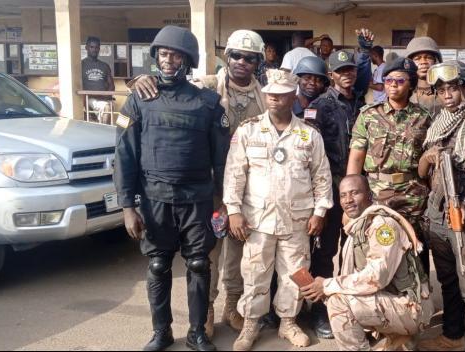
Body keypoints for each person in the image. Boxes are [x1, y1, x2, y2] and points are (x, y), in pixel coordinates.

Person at [126, 29, 268, 339]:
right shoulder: (205, 86)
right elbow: (168, 81)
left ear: (258, 63)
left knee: (239, 252)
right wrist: (138, 79)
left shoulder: (266, 96)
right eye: (236, 56)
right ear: (226, 58)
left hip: (250, 187)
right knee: (208, 255)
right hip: (212, 188)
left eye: (250, 58)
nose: (242, 62)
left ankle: (233, 306)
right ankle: (206, 312)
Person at [113, 25, 228, 351]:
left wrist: (223, 202)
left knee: (198, 264)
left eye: (175, 54)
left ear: (187, 59)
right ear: (156, 57)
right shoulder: (139, 100)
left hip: (197, 200)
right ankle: (161, 332)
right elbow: (124, 155)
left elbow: (221, 159)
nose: (168, 60)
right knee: (158, 265)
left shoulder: (206, 102)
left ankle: (197, 333)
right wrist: (127, 208)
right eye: (163, 54)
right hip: (155, 199)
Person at [225, 69, 333, 351]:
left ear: (292, 96)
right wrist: (233, 210)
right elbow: (235, 173)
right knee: (255, 273)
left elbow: (322, 176)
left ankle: (288, 323)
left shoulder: (309, 135)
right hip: (257, 220)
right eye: (270, 94)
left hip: (297, 219)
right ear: (265, 94)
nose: (274, 99)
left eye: (281, 95)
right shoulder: (247, 130)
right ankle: (250, 324)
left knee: (295, 273)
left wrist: (320, 211)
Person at [298, 30, 374, 338]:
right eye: (341, 71)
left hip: (358, 193)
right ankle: (320, 311)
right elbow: (308, 152)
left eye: (351, 71)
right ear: (332, 75)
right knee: (326, 251)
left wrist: (364, 52)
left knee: (358, 251)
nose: (347, 76)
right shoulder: (319, 106)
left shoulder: (362, 104)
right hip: (329, 191)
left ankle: (357, 308)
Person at [300, 175, 433, 351]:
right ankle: (398, 337)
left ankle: (398, 334)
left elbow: (376, 278)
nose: (348, 200)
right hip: (392, 299)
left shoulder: (383, 226)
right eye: (343, 195)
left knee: (338, 302)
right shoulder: (358, 226)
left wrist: (326, 285)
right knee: (334, 293)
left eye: (355, 193)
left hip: (412, 307)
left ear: (369, 195)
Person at [415, 61, 465, 351]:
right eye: (441, 90)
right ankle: (453, 335)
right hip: (436, 214)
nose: (447, 94)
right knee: (448, 280)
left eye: (453, 87)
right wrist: (429, 157)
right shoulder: (437, 123)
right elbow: (422, 172)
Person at [347, 57, 432, 275]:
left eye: (400, 81)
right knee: (376, 248)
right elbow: (356, 159)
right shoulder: (368, 115)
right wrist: (350, 200)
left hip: (413, 196)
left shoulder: (423, 118)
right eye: (388, 80)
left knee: (415, 248)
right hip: (376, 194)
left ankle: (417, 299)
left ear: (411, 84)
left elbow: (429, 162)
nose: (393, 84)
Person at [81, 36, 115, 124]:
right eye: (91, 47)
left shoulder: (104, 66)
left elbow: (111, 86)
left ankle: (103, 130)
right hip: (89, 99)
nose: (94, 50)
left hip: (104, 98)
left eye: (96, 47)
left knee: (108, 107)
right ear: (86, 48)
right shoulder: (81, 65)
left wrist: (105, 96)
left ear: (99, 48)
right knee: (107, 107)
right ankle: (102, 131)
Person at [406, 36, 443, 115]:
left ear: (436, 61)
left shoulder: (445, 90)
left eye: (428, 57)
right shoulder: (405, 90)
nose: (423, 62)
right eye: (417, 58)